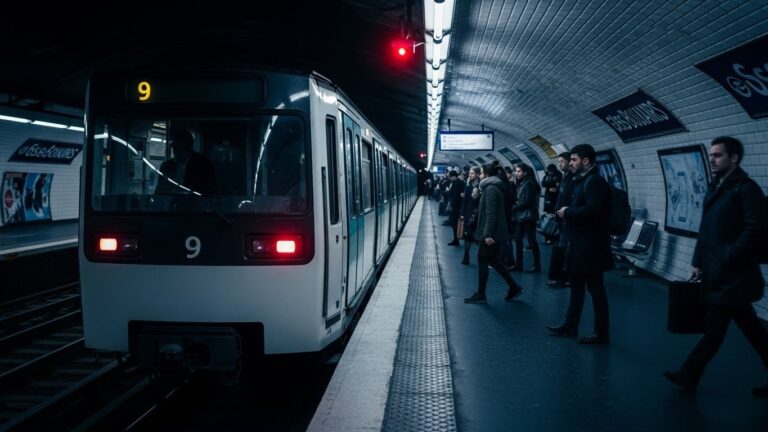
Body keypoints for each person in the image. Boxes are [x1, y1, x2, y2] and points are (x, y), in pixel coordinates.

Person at [663, 136, 768, 397]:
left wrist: (730, 254)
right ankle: (689, 375)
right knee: (752, 329)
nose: (712, 159)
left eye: (718, 155)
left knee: (715, 328)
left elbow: (757, 227)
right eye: (711, 155)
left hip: (735, 274)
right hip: (719, 271)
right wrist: (698, 260)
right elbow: (706, 228)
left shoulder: (746, 189)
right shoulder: (716, 187)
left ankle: (689, 374)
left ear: (734, 158)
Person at [547, 144, 613, 344]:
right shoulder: (579, 181)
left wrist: (568, 212)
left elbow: (593, 210)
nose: (571, 163)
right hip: (579, 244)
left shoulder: (595, 182)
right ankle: (570, 325)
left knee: (596, 290)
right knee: (576, 288)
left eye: (574, 160)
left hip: (592, 247)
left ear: (586, 161)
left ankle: (601, 333)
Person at [464, 163, 524, 304]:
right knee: (492, 260)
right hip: (493, 232)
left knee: (482, 259)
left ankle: (481, 294)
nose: (480, 175)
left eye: (482, 172)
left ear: (487, 174)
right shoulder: (490, 187)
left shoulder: (491, 189)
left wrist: (487, 234)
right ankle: (514, 287)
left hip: (491, 233)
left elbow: (491, 213)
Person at [157, 130, 217, 195]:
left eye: (178, 148)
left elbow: (208, 191)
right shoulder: (167, 166)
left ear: (189, 148)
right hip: (172, 203)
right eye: (174, 148)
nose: (175, 151)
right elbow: (159, 191)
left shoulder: (203, 165)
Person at [547, 152, 573, 287]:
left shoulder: (571, 179)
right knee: (561, 248)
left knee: (564, 248)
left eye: (562, 161)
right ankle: (561, 277)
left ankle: (565, 278)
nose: (560, 164)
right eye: (559, 162)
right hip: (562, 218)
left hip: (568, 219)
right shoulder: (565, 178)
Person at [510, 163, 541, 272]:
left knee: (532, 241)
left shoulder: (529, 184)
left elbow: (528, 202)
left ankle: (537, 266)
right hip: (523, 216)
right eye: (516, 171)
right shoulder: (523, 183)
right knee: (518, 239)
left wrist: (514, 208)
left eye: (519, 171)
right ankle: (518, 264)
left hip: (528, 216)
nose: (516, 173)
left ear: (525, 172)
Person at [460, 166, 481, 265]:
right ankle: (466, 255)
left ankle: (482, 257)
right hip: (469, 214)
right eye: (469, 173)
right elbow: (465, 201)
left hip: (478, 215)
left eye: (472, 173)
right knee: (467, 236)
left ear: (477, 174)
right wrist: (462, 213)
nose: (470, 175)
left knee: (478, 236)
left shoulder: (481, 186)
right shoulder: (468, 186)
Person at [541, 164, 563, 244]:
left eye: (551, 171)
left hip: (555, 199)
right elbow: (543, 183)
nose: (550, 173)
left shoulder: (559, 175)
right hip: (548, 199)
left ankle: (554, 236)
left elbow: (560, 185)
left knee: (555, 219)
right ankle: (547, 237)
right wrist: (550, 183)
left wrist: (556, 189)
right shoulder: (546, 175)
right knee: (548, 218)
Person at [447, 170, 465, 246]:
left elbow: (456, 196)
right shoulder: (456, 182)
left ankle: (456, 240)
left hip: (456, 208)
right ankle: (456, 239)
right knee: (454, 224)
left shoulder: (458, 183)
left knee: (455, 224)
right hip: (455, 207)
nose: (449, 178)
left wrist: (451, 205)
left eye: (450, 177)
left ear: (454, 176)